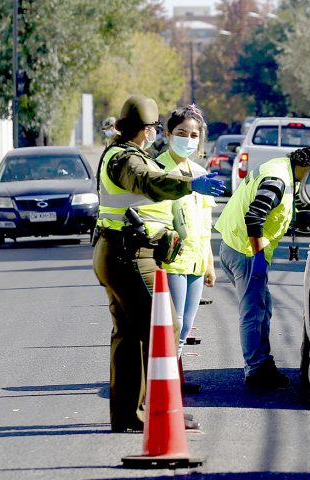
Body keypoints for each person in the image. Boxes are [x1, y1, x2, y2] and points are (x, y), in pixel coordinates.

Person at [92, 94, 225, 433]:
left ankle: (129, 416)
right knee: (162, 331)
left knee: (131, 336)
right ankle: (162, 413)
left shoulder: (130, 155)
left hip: (121, 251)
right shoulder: (125, 160)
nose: (153, 134)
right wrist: (190, 184)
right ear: (145, 129)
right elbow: (148, 182)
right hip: (130, 254)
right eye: (152, 128)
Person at [214, 146, 310, 389]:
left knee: (262, 308)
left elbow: (273, 212)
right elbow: (255, 216)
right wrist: (256, 257)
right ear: (308, 167)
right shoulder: (278, 180)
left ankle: (262, 364)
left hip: (235, 246)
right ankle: (255, 371)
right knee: (253, 313)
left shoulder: (281, 169)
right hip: (245, 251)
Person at [155, 105, 216, 393]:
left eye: (194, 134)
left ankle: (172, 378)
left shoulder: (200, 172)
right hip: (171, 260)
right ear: (168, 134)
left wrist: (209, 263)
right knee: (174, 324)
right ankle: (162, 382)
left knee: (186, 326)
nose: (188, 139)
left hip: (195, 260)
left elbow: (205, 224)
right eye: (181, 133)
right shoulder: (158, 170)